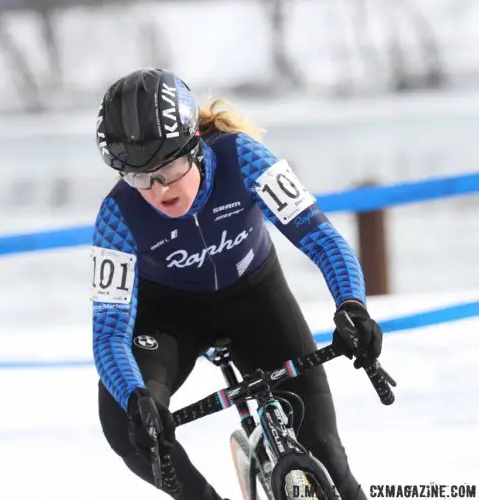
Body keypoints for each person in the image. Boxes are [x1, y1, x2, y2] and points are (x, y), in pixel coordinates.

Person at [90, 68, 383, 500]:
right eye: (138, 177)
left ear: (194, 146)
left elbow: (321, 237)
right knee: (123, 424)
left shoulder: (242, 157)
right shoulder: (116, 215)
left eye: (168, 168)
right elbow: (110, 331)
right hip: (170, 320)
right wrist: (136, 397)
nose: (157, 189)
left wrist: (352, 306)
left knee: (328, 455)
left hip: (254, 297)